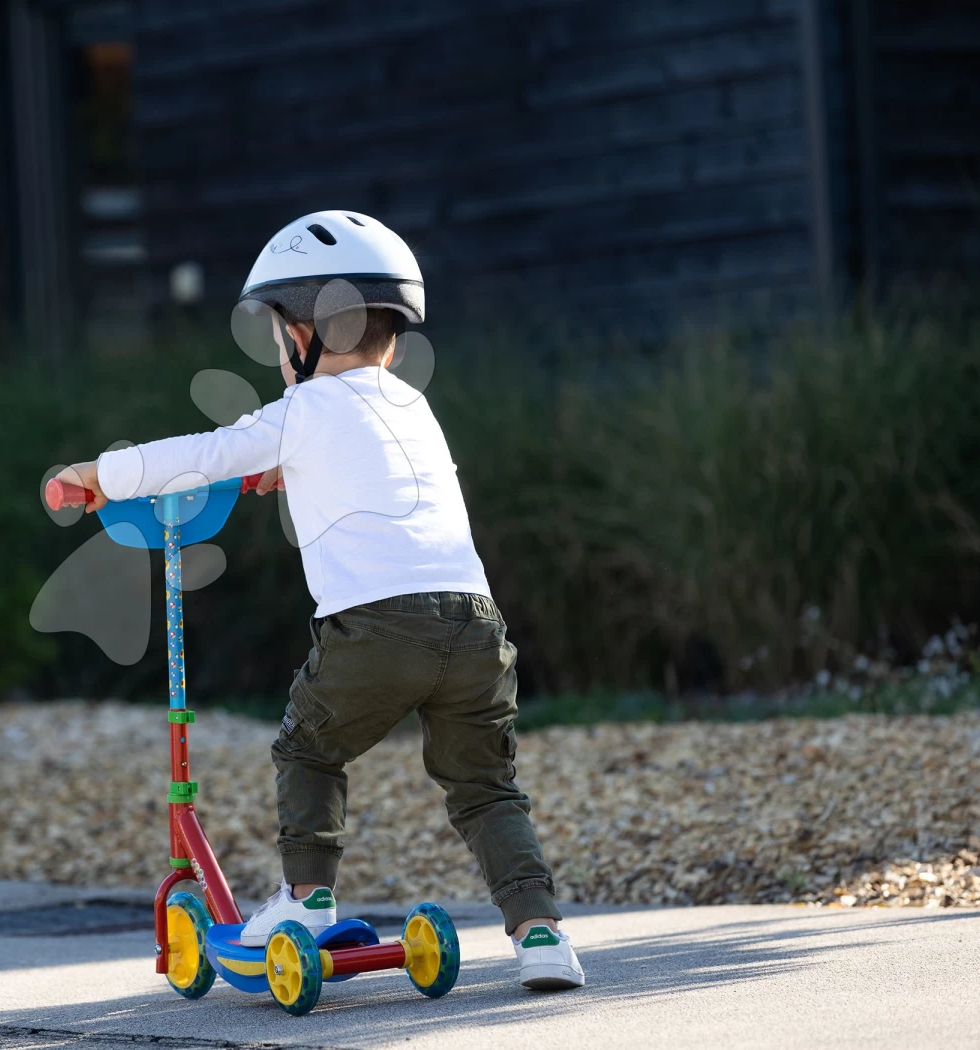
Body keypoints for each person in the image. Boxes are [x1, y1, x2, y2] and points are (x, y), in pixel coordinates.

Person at [56, 210, 585, 991]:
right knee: (485, 787)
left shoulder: (302, 410)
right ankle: (542, 936)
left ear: (308, 334)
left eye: (277, 333)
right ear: (392, 339)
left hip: (379, 630)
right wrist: (294, 468)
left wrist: (98, 474)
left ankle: (305, 900)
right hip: (475, 626)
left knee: (308, 748)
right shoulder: (414, 407)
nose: (278, 351)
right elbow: (373, 478)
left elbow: (204, 456)